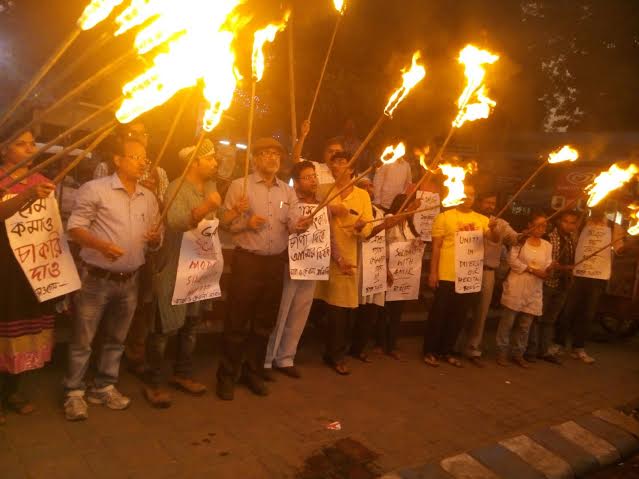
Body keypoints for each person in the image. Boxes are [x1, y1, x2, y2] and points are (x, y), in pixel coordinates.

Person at [63, 137, 162, 421]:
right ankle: (74, 392)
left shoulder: (148, 197)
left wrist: (155, 239)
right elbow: (75, 229)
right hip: (96, 278)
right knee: (83, 339)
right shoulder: (95, 189)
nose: (142, 163)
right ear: (117, 160)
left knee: (117, 339)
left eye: (144, 158)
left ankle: (104, 386)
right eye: (135, 157)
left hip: (130, 279)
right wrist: (102, 246)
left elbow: (156, 240)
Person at [217, 137, 310, 400]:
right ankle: (227, 376)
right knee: (237, 321)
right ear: (256, 159)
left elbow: (292, 223)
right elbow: (225, 224)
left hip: (274, 263)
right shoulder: (240, 186)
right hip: (248, 261)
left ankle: (253, 373)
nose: (272, 158)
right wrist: (245, 223)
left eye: (276, 154)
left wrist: (300, 225)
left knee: (264, 323)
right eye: (266, 153)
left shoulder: (287, 191)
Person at [144, 139, 221, 408]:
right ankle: (153, 383)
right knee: (164, 327)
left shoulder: (210, 186)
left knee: (191, 325)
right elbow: (176, 221)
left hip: (198, 268)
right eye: (210, 158)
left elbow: (219, 220)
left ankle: (182, 373)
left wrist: (234, 211)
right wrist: (205, 207)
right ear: (194, 162)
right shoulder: (176, 187)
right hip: (174, 268)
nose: (215, 163)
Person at [93, 121, 169, 377]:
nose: (139, 137)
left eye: (143, 133)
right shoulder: (105, 167)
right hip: (110, 250)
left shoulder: (158, 172)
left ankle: (135, 357)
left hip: (143, 252)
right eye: (133, 134)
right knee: (106, 309)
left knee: (142, 306)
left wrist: (155, 228)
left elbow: (163, 208)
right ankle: (99, 363)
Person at [0, 129, 57, 425]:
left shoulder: (41, 181)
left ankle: (13, 391)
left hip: (31, 270)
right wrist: (26, 196)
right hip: (4, 269)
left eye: (32, 144)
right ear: (4, 149)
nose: (28, 149)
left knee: (23, 332)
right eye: (20, 144)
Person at [264, 161, 340, 378]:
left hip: (312, 265)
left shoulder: (323, 206)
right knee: (281, 312)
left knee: (299, 313)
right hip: (289, 264)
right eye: (307, 177)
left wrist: (339, 259)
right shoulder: (288, 203)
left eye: (314, 176)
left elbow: (330, 237)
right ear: (296, 183)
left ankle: (286, 358)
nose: (313, 180)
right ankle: (267, 359)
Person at [423, 183, 497, 368]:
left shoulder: (482, 220)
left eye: (472, 194)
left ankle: (446, 351)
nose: (468, 197)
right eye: (465, 194)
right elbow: (436, 247)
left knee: (458, 316)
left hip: (467, 277)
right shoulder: (444, 217)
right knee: (439, 315)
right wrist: (433, 272)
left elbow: (494, 238)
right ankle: (430, 351)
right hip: (446, 274)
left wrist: (494, 228)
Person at [315, 152, 373, 375]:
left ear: (351, 169)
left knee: (340, 309)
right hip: (319, 254)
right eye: (334, 162)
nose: (337, 166)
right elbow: (308, 211)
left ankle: (336, 354)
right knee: (317, 304)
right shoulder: (323, 190)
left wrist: (361, 227)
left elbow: (368, 227)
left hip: (345, 257)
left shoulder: (362, 195)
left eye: (342, 162)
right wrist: (329, 209)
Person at [554, 206, 625, 364]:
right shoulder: (582, 223)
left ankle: (579, 348)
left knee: (587, 314)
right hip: (578, 274)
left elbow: (619, 250)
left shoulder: (614, 227)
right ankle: (558, 344)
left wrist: (626, 244)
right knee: (567, 311)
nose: (598, 210)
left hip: (597, 277)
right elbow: (572, 243)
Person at [462, 191, 518, 367]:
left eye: (493, 203)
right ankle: (454, 346)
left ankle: (473, 348)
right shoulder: (470, 218)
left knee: (481, 313)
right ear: (479, 202)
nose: (490, 206)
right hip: (466, 269)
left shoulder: (500, 223)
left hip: (487, 271)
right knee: (461, 309)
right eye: (487, 202)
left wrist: (523, 234)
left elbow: (514, 238)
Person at [496, 212, 552, 368]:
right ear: (529, 225)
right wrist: (532, 270)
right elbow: (512, 260)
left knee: (525, 325)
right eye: (538, 225)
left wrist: (549, 269)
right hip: (517, 285)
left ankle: (518, 353)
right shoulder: (520, 240)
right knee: (508, 322)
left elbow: (547, 263)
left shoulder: (547, 246)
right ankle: (501, 352)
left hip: (534, 288)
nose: (541, 229)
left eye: (544, 226)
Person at [526, 210, 579, 364]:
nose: (569, 225)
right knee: (538, 317)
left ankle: (544, 351)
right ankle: (531, 350)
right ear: (559, 222)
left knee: (550, 319)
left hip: (563, 284)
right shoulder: (549, 238)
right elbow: (545, 263)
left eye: (572, 223)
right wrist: (562, 267)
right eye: (566, 221)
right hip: (548, 283)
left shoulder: (570, 239)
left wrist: (570, 270)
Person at [379, 193, 422, 359]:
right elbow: (381, 244)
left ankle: (392, 344)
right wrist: (385, 269)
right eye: (410, 206)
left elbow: (414, 244)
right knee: (383, 310)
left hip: (404, 273)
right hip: (388, 269)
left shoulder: (409, 224)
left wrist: (417, 243)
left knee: (397, 311)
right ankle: (381, 343)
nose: (413, 210)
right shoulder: (390, 218)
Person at [350, 177, 385, 362]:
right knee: (353, 311)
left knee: (370, 312)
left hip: (375, 268)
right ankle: (346, 346)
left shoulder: (380, 212)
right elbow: (363, 234)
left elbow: (383, 241)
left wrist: (386, 268)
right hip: (358, 265)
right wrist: (384, 225)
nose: (369, 189)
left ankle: (359, 347)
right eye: (364, 186)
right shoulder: (354, 210)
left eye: (371, 185)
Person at [292, 120, 344, 186]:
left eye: (337, 151)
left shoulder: (348, 172)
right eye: (330, 151)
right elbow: (295, 159)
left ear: (343, 154)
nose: (334, 154)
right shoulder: (316, 168)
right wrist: (303, 135)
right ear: (325, 155)